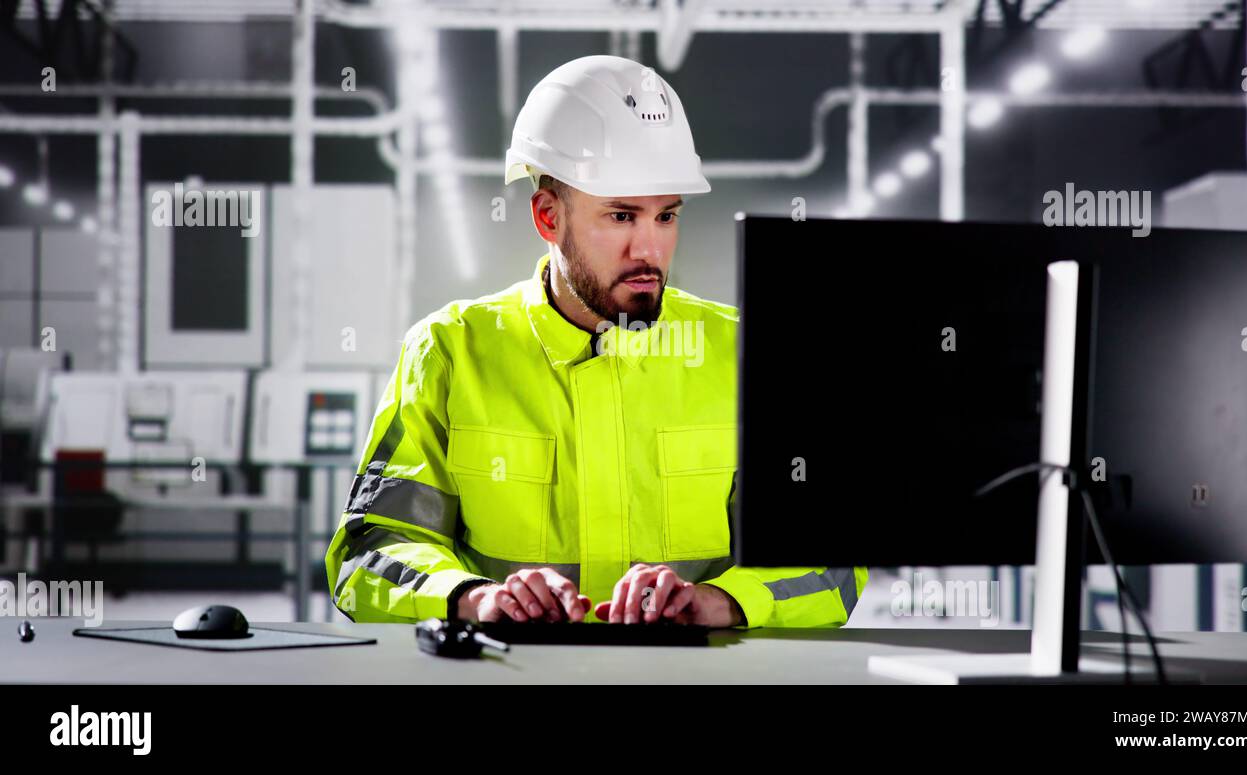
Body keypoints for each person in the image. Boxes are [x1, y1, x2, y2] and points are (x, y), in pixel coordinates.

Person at [325, 55, 866, 627]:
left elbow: (833, 566)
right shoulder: (452, 353)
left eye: (666, 217)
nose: (650, 252)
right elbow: (367, 554)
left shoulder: (748, 353)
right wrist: (471, 599)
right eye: (621, 216)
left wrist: (724, 603)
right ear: (547, 217)